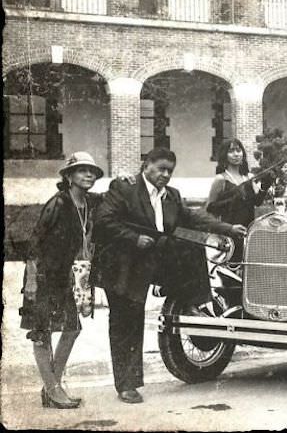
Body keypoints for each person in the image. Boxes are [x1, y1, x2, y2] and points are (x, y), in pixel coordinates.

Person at [92, 147, 247, 404]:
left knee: (192, 244)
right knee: (127, 321)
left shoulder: (171, 195)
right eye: (161, 169)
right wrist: (133, 238)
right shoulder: (124, 188)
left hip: (154, 256)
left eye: (170, 171)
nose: (165, 175)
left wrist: (228, 228)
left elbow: (194, 217)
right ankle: (127, 385)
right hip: (124, 263)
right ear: (147, 166)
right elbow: (104, 222)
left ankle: (193, 304)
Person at [20, 152, 104, 408]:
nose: (88, 174)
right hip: (44, 276)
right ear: (68, 176)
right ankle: (54, 390)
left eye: (92, 171)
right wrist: (32, 281)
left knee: (72, 328)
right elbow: (34, 243)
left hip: (69, 277)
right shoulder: (57, 204)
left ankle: (51, 388)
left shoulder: (90, 203)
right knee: (42, 333)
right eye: (81, 170)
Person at [206, 138, 266, 227]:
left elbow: (257, 202)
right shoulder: (221, 179)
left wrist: (265, 185)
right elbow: (210, 209)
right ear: (224, 155)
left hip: (248, 230)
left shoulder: (249, 177)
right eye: (231, 151)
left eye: (238, 150)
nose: (236, 154)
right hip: (229, 232)